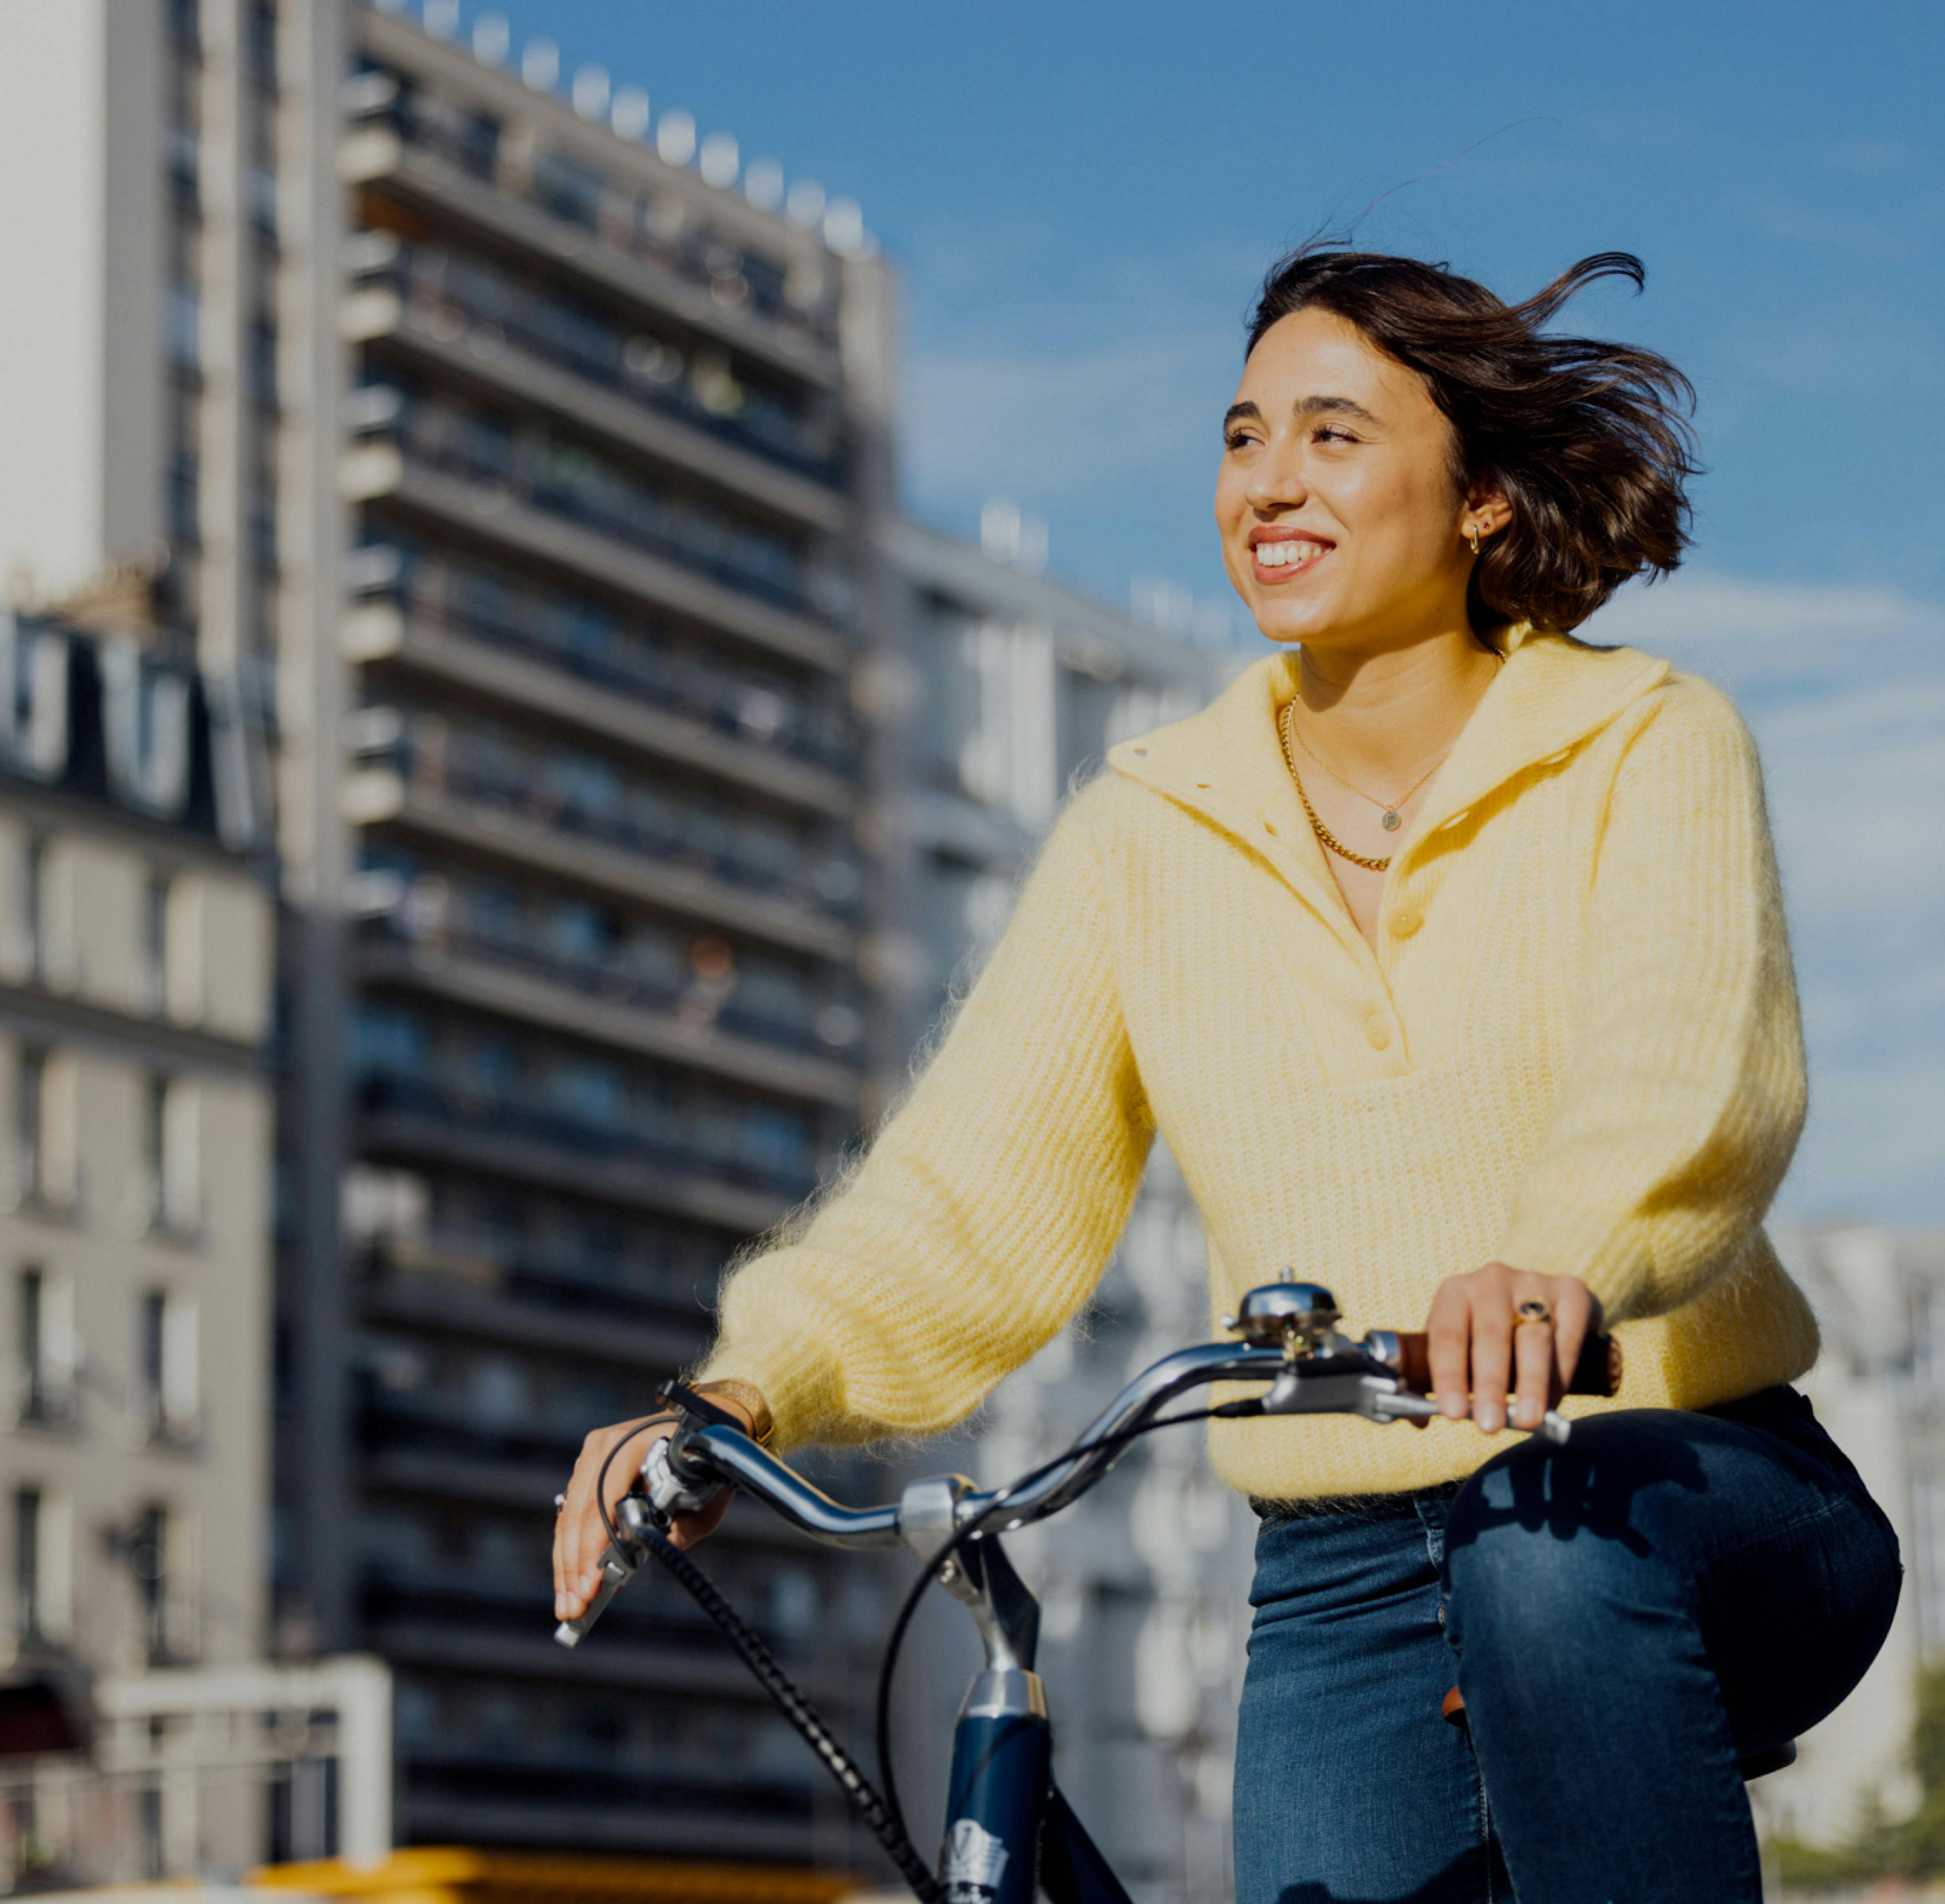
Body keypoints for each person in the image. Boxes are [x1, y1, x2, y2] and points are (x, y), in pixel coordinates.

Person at [554, 247, 1901, 1902]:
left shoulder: (1640, 742)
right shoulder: (1154, 822)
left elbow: (1689, 1068)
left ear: (1480, 496)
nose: (1272, 480)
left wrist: (1565, 1265)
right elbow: (971, 1185)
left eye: (1334, 437)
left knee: (1543, 1580)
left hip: (1679, 1487)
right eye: (1244, 435)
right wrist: (743, 1390)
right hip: (1340, 1579)